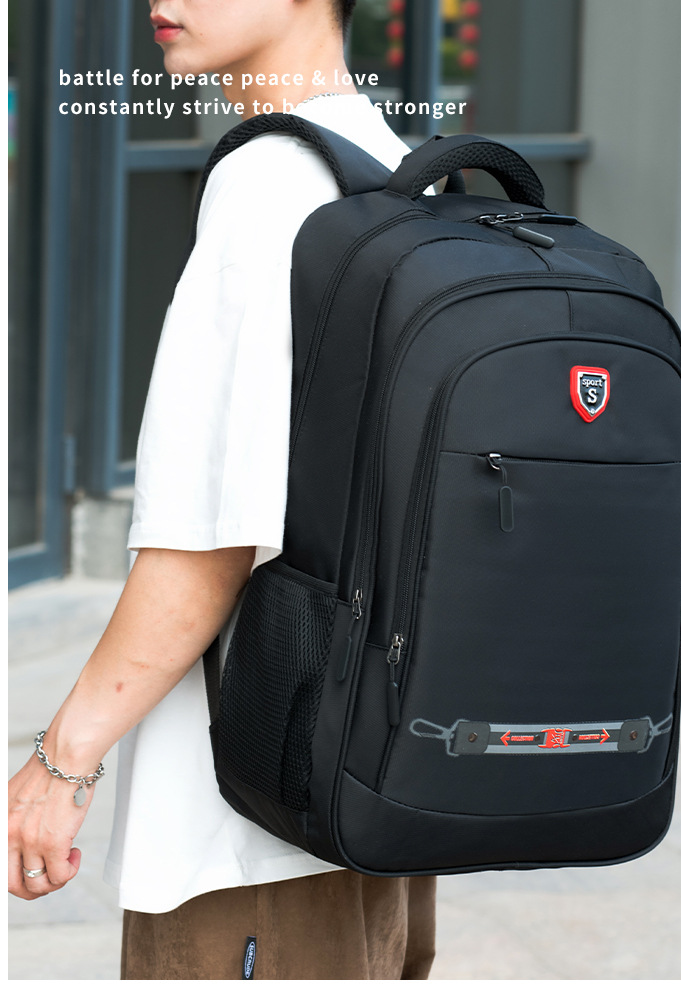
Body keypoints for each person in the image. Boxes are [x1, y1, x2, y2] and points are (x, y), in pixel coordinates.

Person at [8, 0, 437, 978]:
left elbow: (209, 544)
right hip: (365, 797)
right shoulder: (392, 163)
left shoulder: (268, 186)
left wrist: (62, 759)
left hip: (244, 831)